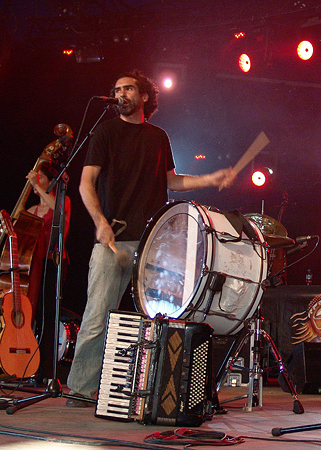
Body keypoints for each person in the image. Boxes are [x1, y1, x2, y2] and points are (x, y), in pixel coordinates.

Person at [66, 69, 236, 407]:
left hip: (153, 244)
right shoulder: (105, 131)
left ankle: (155, 391)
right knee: (98, 316)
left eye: (127, 88)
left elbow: (172, 182)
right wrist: (99, 222)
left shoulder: (158, 137)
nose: (120, 94)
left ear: (145, 96)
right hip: (114, 239)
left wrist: (211, 178)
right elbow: (86, 183)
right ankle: (82, 389)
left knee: (157, 321)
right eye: (116, 89)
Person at [0, 161, 71, 381]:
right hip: (32, 266)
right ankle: (27, 365)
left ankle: (47, 370)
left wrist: (39, 187)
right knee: (29, 313)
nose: (35, 184)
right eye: (34, 181)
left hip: (52, 264)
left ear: (50, 181)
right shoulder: (31, 210)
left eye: (39, 179)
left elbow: (59, 212)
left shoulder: (61, 201)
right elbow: (6, 232)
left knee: (48, 316)